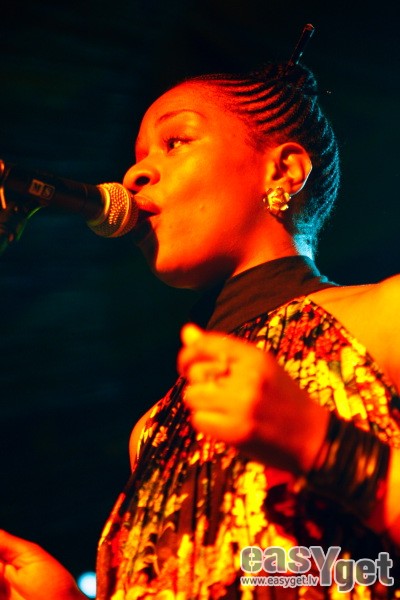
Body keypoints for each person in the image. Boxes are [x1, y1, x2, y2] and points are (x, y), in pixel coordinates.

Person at [1, 49, 400, 600]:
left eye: (176, 141)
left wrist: (321, 444)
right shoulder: (152, 429)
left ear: (284, 170)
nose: (134, 174)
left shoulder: (386, 316)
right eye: (138, 156)